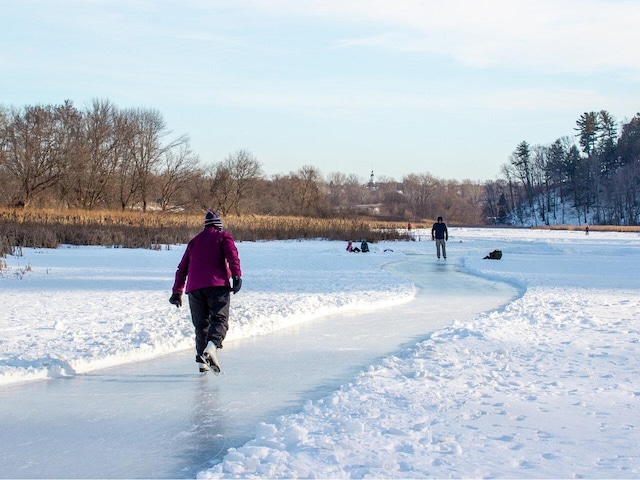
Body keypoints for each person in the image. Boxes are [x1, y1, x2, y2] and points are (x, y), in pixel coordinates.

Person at [169, 210, 242, 374]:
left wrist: (176, 292)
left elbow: (182, 269)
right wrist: (237, 275)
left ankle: (202, 363)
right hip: (217, 285)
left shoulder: (194, 242)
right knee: (219, 319)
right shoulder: (223, 237)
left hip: (194, 289)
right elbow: (232, 256)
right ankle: (211, 348)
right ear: (219, 225)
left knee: (201, 326)